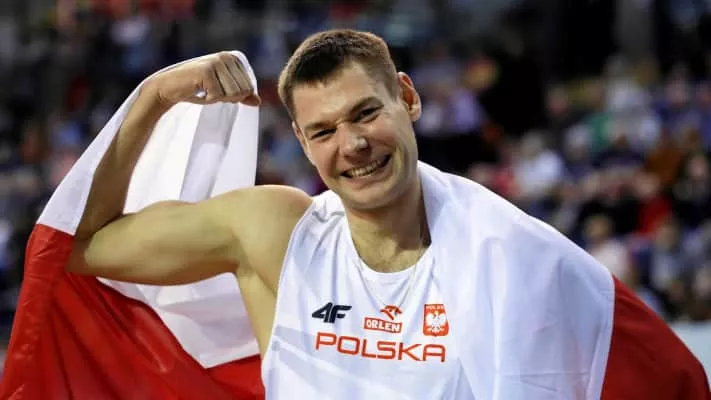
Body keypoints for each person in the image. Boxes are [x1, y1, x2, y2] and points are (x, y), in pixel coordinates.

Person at [67, 29, 709, 399]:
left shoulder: (515, 257)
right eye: (324, 131)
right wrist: (155, 96)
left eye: (367, 113)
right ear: (301, 142)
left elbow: (660, 379)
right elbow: (79, 244)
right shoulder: (275, 235)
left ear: (407, 98)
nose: (352, 145)